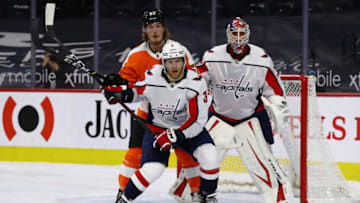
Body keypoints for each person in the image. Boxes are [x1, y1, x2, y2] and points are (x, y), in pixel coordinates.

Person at [103, 41, 219, 203]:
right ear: (163, 63)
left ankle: (207, 196)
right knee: (153, 169)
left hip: (188, 130)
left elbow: (197, 121)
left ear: (184, 62)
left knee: (210, 156)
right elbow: (137, 92)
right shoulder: (153, 76)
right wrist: (119, 94)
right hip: (158, 129)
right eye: (170, 62)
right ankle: (124, 199)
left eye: (178, 61)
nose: (174, 66)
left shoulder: (195, 84)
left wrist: (175, 135)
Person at [195, 17, 295, 203]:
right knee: (204, 161)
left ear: (248, 35)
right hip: (218, 117)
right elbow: (198, 79)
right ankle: (201, 196)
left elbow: (274, 88)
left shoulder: (261, 59)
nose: (238, 38)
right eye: (235, 33)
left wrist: (278, 104)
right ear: (228, 34)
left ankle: (279, 199)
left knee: (264, 166)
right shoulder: (212, 56)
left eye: (242, 34)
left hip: (249, 119)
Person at [113, 8, 202, 202]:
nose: (154, 31)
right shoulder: (136, 55)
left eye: (158, 26)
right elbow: (124, 84)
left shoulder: (179, 51)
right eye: (150, 27)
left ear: (164, 28)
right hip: (147, 116)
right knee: (135, 155)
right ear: (144, 30)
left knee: (187, 156)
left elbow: (194, 81)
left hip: (179, 115)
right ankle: (122, 193)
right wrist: (115, 90)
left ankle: (196, 194)